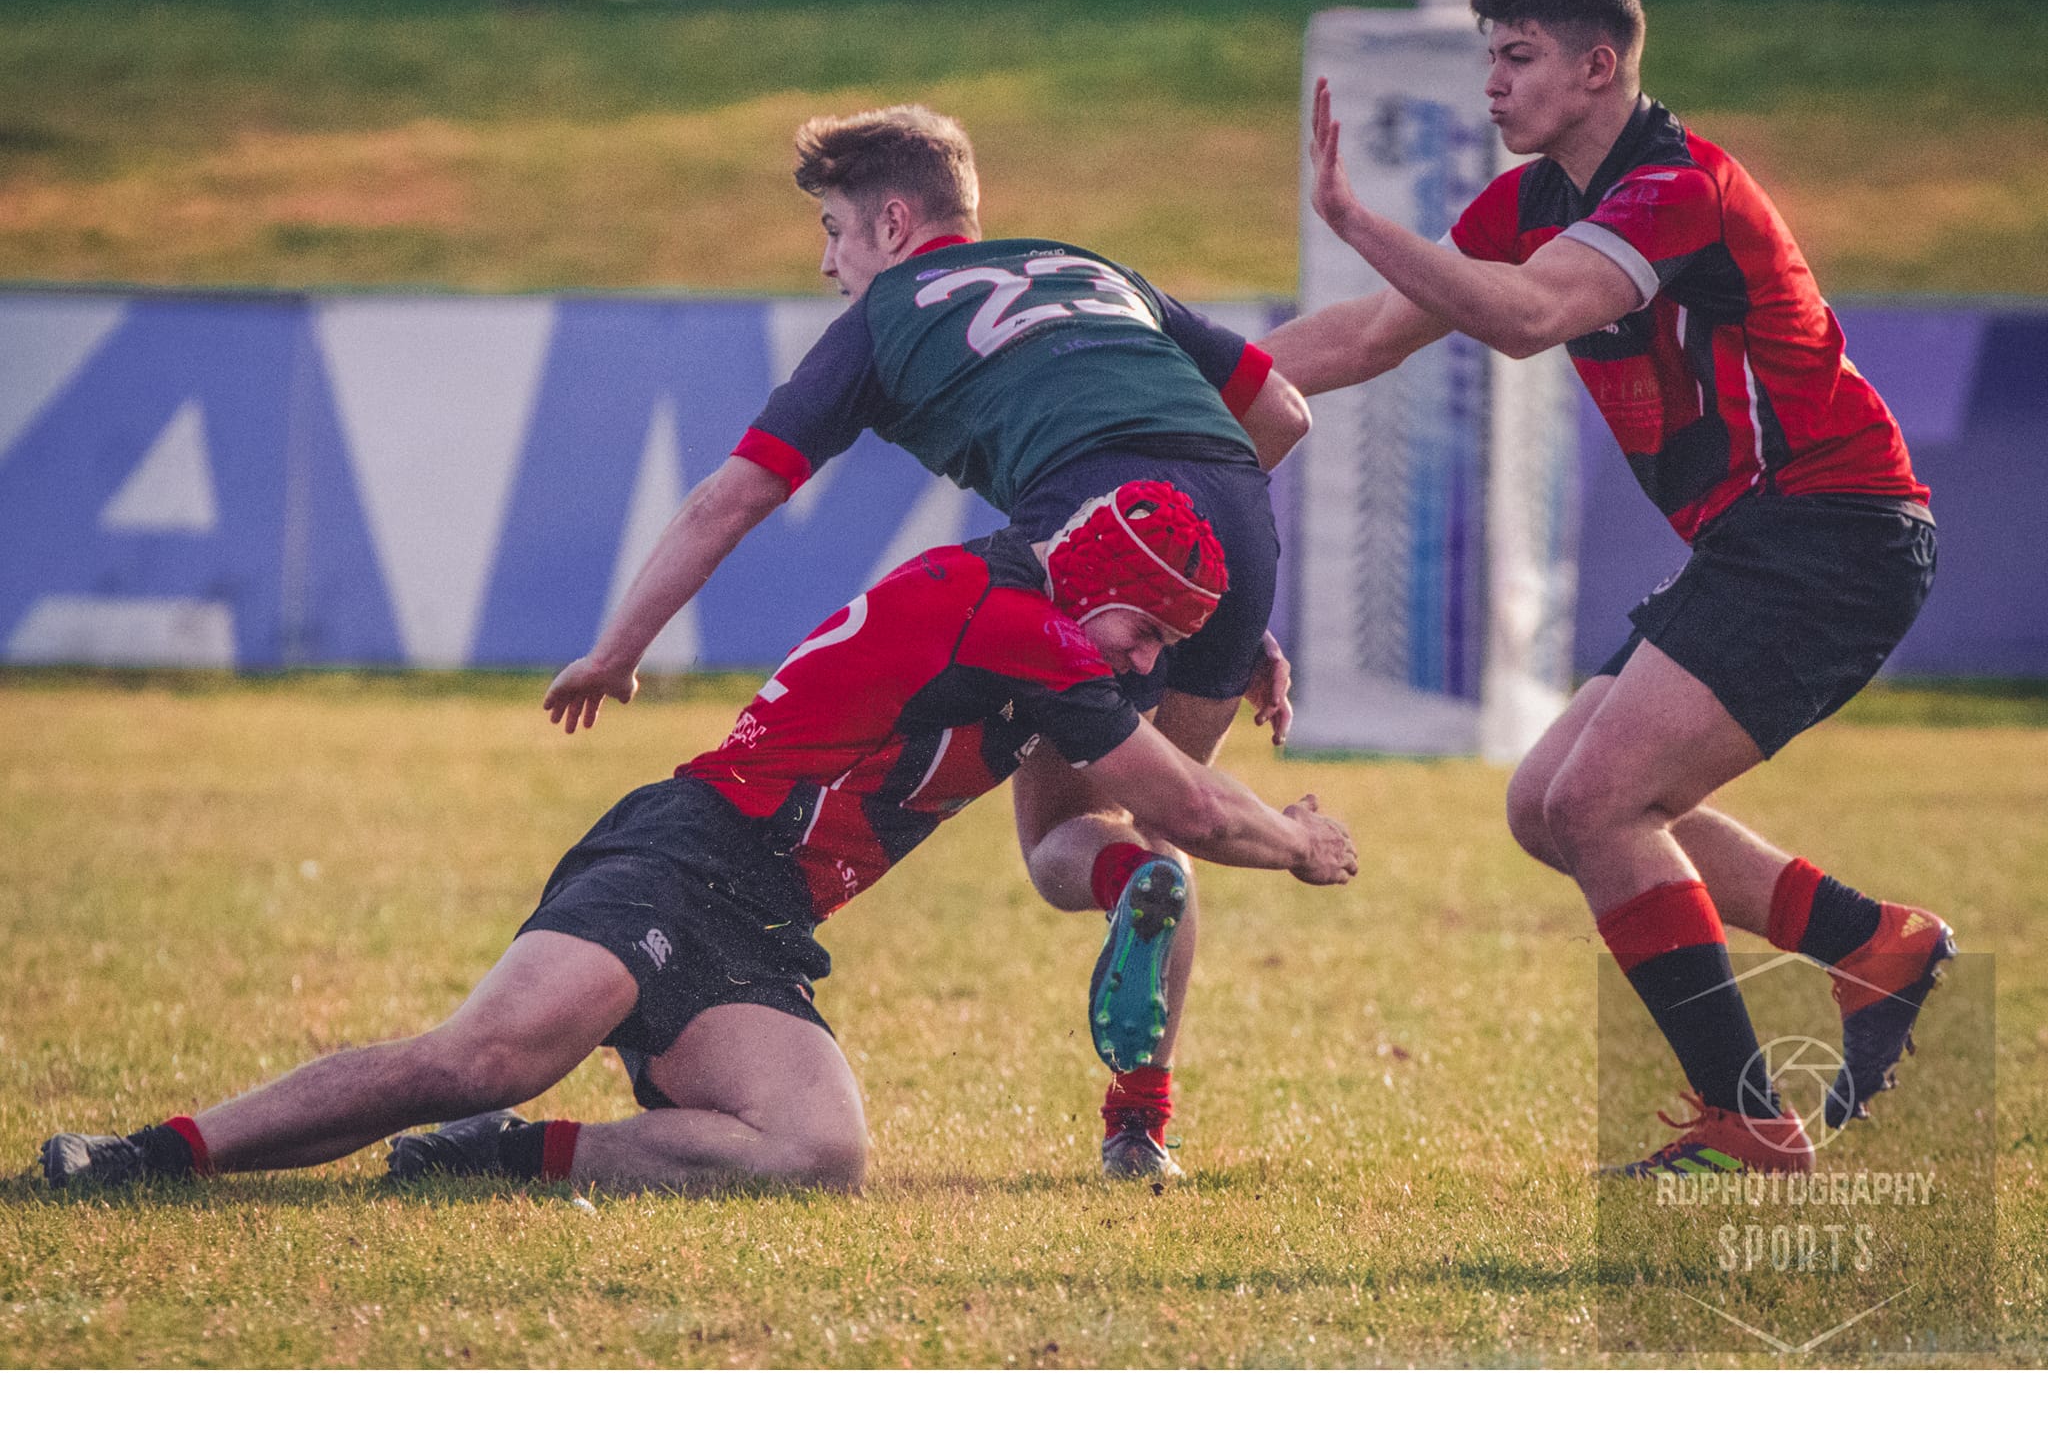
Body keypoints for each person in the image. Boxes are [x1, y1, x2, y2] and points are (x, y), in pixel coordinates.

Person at [42, 483, 1356, 1196]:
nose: (1147, 665)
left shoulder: (1038, 607)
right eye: (1147, 634)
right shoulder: (1018, 626)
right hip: (687, 853)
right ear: (1099, 590)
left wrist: (1233, 645)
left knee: (816, 1152)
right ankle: (150, 1155)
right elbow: (1184, 802)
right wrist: (1297, 842)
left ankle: (504, 1160)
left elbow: (1128, 791)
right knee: (487, 1054)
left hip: (762, 918)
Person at [1262, 0, 1950, 1178]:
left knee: (1597, 802)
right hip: (1761, 541)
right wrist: (1197, 381)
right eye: (1488, 56)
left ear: (1596, 67)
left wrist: (1357, 220)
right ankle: (1870, 944)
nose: (1491, 82)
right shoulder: (1524, 204)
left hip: (1831, 530)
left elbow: (1527, 318)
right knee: (1545, 804)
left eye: (1516, 56)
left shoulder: (1679, 186)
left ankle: (1747, 1118)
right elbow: (1366, 337)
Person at [542, 104, 1314, 1178]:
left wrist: (617, 651)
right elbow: (1281, 410)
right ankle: (1140, 1121)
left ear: (894, 223)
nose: (827, 263)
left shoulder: (886, 312)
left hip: (1090, 522)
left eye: (833, 230)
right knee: (1171, 801)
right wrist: (1194, 589)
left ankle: (1123, 884)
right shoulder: (1084, 265)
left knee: (1073, 832)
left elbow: (733, 496)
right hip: (1225, 533)